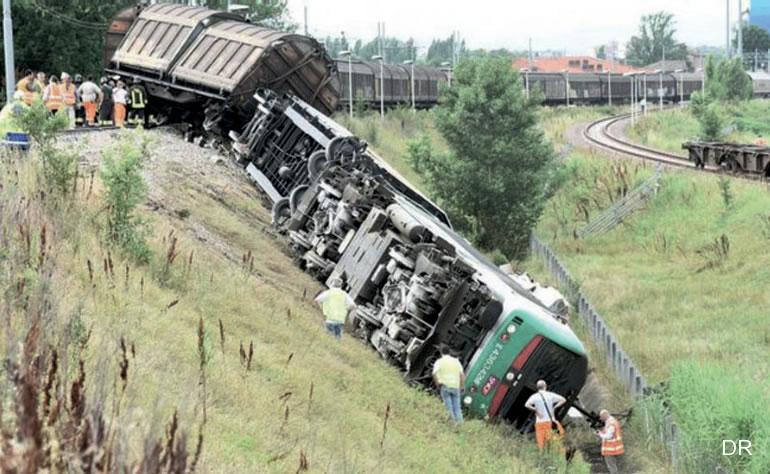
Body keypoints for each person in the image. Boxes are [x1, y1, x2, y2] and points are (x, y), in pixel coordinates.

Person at [525, 380, 567, 451]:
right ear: (545, 386)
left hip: (539, 423)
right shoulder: (550, 395)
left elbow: (526, 405)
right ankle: (562, 453)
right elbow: (563, 399)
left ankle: (543, 455)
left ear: (537, 387)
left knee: (541, 443)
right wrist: (554, 407)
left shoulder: (534, 396)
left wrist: (536, 409)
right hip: (548, 422)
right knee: (552, 441)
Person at [432, 346, 465, 425]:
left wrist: (438, 384)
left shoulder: (439, 361)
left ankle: (453, 424)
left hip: (445, 386)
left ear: (441, 353)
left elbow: (434, 373)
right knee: (457, 408)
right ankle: (460, 424)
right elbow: (461, 375)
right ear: (449, 352)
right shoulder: (456, 361)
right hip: (455, 387)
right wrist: (462, 386)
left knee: (449, 407)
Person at [596, 409, 625, 474]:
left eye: (601, 416)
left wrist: (600, 434)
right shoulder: (612, 421)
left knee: (612, 467)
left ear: (605, 415)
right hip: (614, 449)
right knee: (614, 466)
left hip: (610, 450)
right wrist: (602, 431)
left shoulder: (611, 423)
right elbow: (610, 433)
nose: (600, 418)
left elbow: (609, 436)